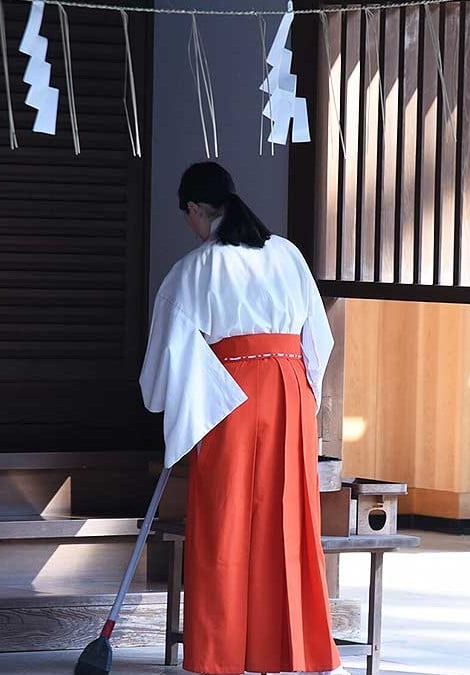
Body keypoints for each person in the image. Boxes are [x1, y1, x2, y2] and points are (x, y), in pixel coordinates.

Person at [139, 162, 344, 675]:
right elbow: (318, 337)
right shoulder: (287, 255)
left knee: (225, 518)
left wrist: (174, 408)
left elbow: (166, 363)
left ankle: (221, 652)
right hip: (290, 389)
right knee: (288, 516)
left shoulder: (194, 270)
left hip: (228, 395)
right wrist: (304, 396)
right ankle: (289, 649)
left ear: (194, 209)